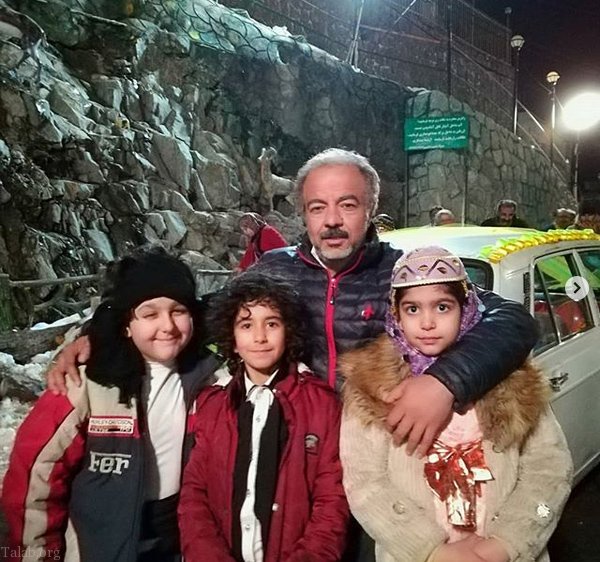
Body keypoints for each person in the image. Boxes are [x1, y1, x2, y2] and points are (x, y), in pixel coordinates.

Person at [47, 149, 538, 561]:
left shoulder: (402, 273)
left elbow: (510, 319)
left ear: (371, 209)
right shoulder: (274, 270)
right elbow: (197, 314)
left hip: (388, 467)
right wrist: (102, 331)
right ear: (302, 213)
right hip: (297, 465)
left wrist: (444, 382)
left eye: (347, 205)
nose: (332, 221)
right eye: (317, 207)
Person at [339, 246, 573, 562]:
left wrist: (507, 543)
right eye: (412, 309)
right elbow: (365, 483)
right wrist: (430, 550)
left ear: (466, 308)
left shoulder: (510, 376)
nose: (427, 323)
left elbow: (549, 467)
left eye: (442, 307)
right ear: (395, 313)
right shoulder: (372, 385)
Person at [2, 247, 219, 562]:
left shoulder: (207, 377)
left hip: (177, 536)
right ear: (127, 323)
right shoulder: (87, 382)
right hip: (99, 541)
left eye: (178, 311)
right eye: (150, 314)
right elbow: (36, 471)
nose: (167, 326)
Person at [178, 272, 349, 561]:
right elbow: (195, 492)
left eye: (272, 324)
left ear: (288, 331)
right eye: (246, 325)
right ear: (232, 338)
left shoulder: (321, 404)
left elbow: (332, 500)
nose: (260, 337)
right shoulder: (212, 404)